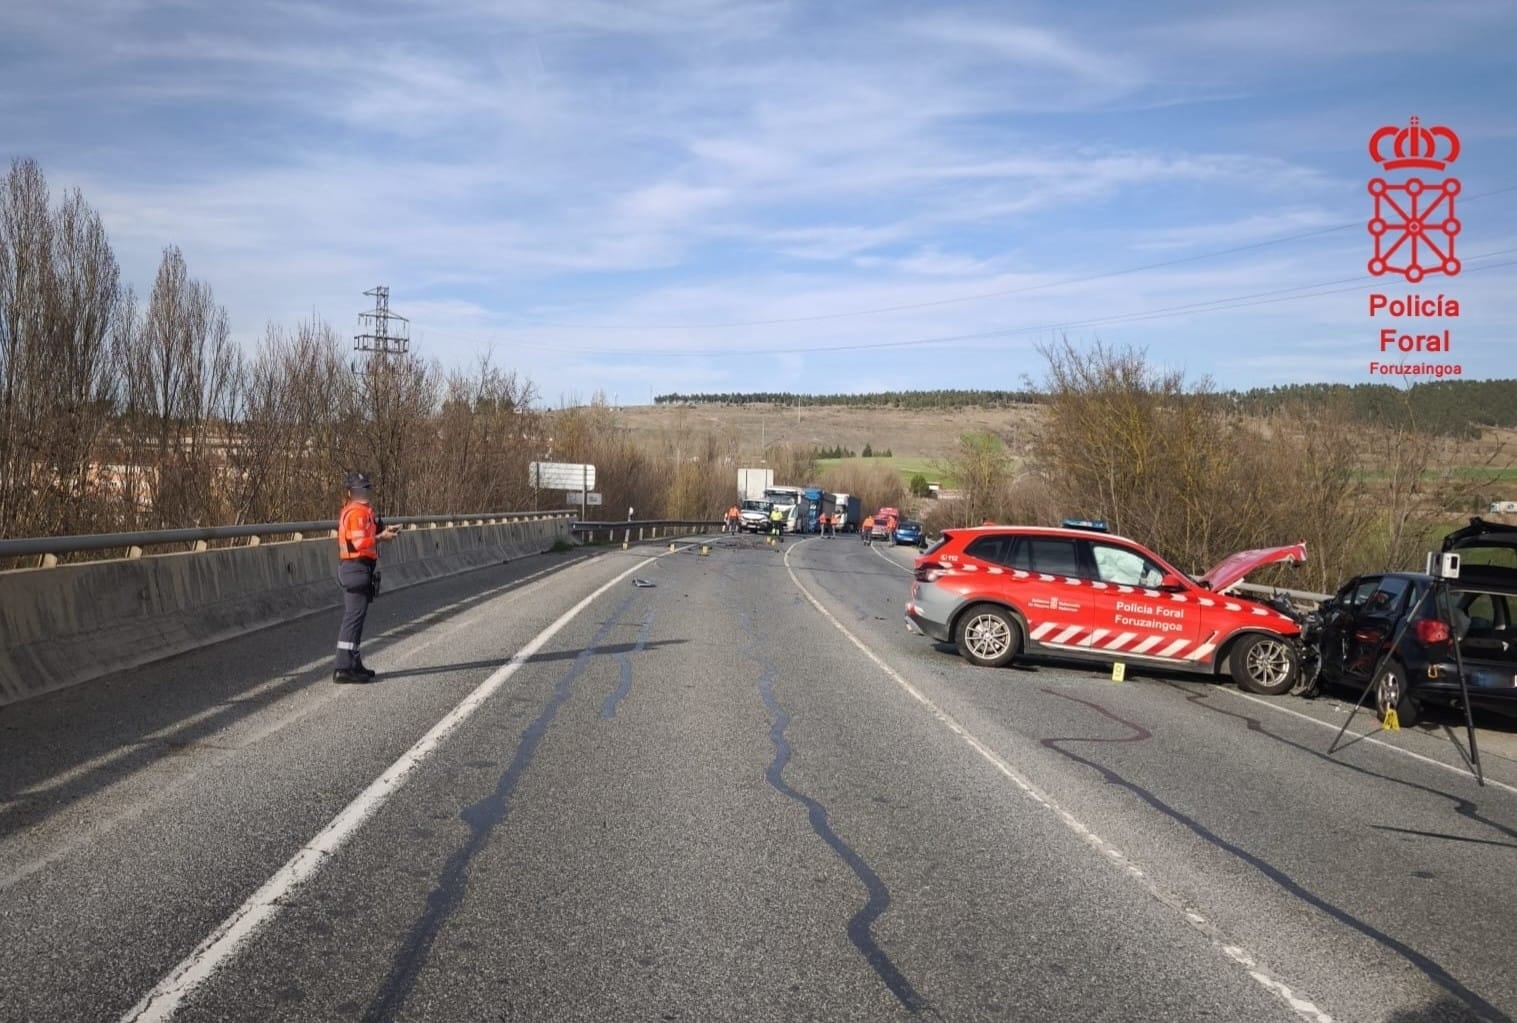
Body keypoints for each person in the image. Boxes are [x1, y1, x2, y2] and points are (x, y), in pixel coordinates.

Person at [334, 471, 399, 684]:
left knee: (357, 617)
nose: (366, 492)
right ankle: (344, 667)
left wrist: (384, 530)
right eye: (362, 489)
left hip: (358, 568)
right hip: (355, 567)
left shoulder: (361, 511)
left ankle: (353, 663)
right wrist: (381, 537)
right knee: (353, 617)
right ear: (352, 492)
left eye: (367, 488)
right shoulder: (356, 513)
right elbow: (359, 543)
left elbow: (366, 535)